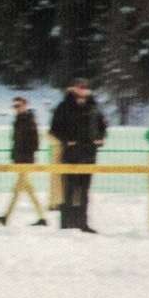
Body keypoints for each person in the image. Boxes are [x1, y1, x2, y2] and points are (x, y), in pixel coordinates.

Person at [50, 79, 107, 233]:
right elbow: (54, 129)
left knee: (84, 192)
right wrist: (67, 140)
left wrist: (100, 139)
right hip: (70, 155)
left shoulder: (94, 107)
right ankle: (65, 224)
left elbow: (103, 127)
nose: (82, 90)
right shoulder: (64, 106)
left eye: (85, 88)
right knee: (68, 190)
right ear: (73, 88)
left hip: (89, 154)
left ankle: (82, 223)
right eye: (79, 87)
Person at [0, 97, 48, 227]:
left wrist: (26, 156)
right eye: (15, 106)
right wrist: (15, 157)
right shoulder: (18, 121)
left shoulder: (29, 121)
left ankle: (6, 217)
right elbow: (15, 141)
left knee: (19, 189)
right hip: (19, 159)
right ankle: (42, 217)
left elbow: (35, 142)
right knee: (26, 189)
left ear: (25, 105)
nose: (17, 108)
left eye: (18, 105)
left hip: (25, 160)